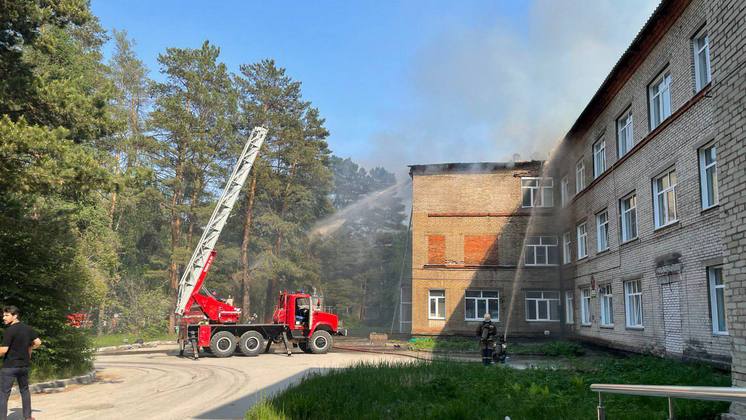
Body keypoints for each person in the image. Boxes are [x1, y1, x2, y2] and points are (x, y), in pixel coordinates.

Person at [1, 305, 42, 420]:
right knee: (24, 390)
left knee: (4, 393)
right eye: (3, 315)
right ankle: (28, 417)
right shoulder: (28, 328)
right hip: (24, 366)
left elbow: (4, 350)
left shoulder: (9, 331)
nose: (3, 317)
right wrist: (29, 348)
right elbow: (38, 342)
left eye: (6, 315)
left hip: (9, 367)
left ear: (15, 316)